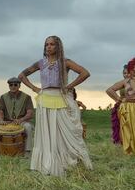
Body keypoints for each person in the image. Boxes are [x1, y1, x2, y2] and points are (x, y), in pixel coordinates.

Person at [19, 36, 92, 176]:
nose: (49, 47)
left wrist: (69, 86)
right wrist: (35, 89)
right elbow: (21, 75)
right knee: (46, 132)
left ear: (58, 46)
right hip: (45, 99)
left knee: (64, 131)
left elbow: (85, 73)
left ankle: (67, 163)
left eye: (52, 44)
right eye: (46, 44)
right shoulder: (40, 63)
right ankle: (48, 163)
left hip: (61, 97)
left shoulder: (65, 62)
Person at [0, 78, 34, 154]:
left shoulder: (27, 97)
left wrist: (21, 119)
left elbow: (30, 112)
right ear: (9, 86)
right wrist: (1, 120)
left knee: (28, 127)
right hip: (6, 122)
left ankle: (27, 151)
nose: (13, 86)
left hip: (21, 121)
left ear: (19, 86)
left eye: (15, 85)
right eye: (11, 85)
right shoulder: (3, 97)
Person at [110, 65, 128, 145]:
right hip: (122, 106)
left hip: (133, 107)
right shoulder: (121, 83)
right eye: (124, 73)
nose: (126, 75)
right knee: (120, 126)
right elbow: (110, 90)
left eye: (128, 73)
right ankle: (120, 143)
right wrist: (117, 99)